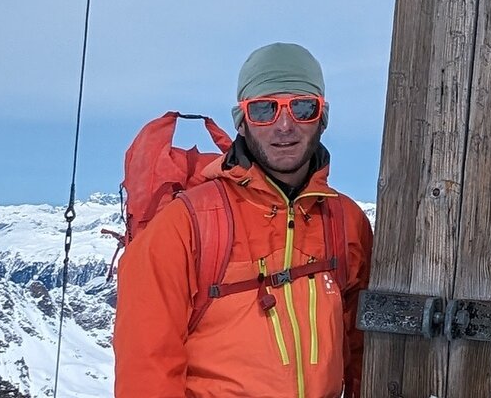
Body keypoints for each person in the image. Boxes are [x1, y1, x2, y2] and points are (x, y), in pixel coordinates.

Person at [115, 42, 375, 397]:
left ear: (322, 117)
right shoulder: (186, 225)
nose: (285, 124)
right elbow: (147, 371)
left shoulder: (346, 222)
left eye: (302, 107)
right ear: (242, 121)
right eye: (264, 109)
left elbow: (364, 352)